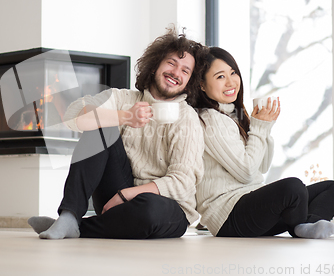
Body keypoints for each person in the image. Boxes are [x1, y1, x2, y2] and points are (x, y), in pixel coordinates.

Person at [28, 27, 208, 239]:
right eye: (171, 63)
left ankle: (78, 226)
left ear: (189, 81)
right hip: (117, 192)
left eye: (185, 71)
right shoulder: (123, 98)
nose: (176, 73)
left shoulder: (186, 118)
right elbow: (73, 116)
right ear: (154, 65)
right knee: (100, 122)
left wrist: (127, 195)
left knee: (149, 209)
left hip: (165, 206)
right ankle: (69, 216)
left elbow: (182, 183)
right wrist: (124, 117)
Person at [194, 47, 334, 238]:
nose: (231, 81)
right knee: (294, 188)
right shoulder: (210, 119)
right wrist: (259, 128)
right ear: (202, 85)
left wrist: (265, 128)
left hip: (252, 208)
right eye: (220, 76)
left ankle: (305, 225)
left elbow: (261, 167)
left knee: (331, 189)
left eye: (233, 73)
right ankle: (303, 224)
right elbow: (247, 172)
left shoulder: (234, 115)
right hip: (229, 215)